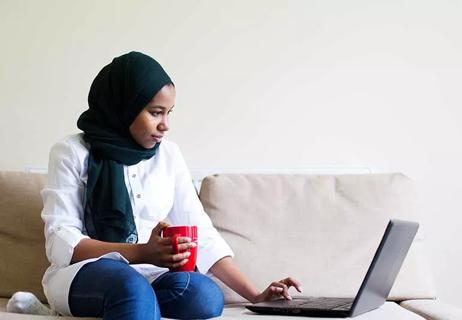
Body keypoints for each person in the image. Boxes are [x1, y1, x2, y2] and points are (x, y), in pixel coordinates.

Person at [14, 51, 302, 319]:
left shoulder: (169, 155)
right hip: (83, 273)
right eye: (155, 112)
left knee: (204, 295)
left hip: (152, 274)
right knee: (130, 287)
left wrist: (257, 295)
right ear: (123, 108)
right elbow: (61, 243)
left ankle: (137, 304)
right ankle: (105, 304)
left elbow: (200, 233)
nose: (166, 125)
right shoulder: (72, 152)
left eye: (169, 113)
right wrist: (142, 252)